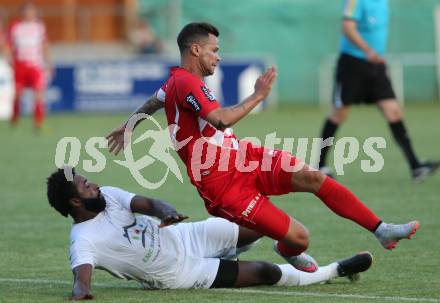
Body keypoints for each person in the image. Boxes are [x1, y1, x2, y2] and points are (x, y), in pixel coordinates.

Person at [106, 22, 419, 274]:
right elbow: (219, 120)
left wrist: (129, 125)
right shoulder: (187, 82)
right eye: (214, 50)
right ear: (195, 49)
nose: (218, 56)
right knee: (300, 237)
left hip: (243, 157)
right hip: (222, 185)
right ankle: (285, 248)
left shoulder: (175, 81)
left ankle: (380, 229)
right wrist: (258, 95)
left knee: (312, 177)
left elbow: (154, 101)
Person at [46, 168, 373, 300]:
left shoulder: (111, 195)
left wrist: (167, 212)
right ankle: (335, 270)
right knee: (265, 273)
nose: (95, 184)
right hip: (181, 273)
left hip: (189, 236)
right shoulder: (83, 239)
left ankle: (287, 248)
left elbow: (149, 202)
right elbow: (81, 277)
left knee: (259, 218)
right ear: (76, 201)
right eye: (86, 185)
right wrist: (81, 292)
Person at [317, 0, 439, 182]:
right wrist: (368, 50)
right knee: (338, 114)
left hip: (375, 65)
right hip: (353, 64)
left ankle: (415, 166)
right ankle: (319, 166)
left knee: (394, 111)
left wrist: (378, 58)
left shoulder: (382, 2)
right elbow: (348, 28)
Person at [3, 1, 53, 129]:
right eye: (27, 11)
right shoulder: (15, 26)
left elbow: (45, 45)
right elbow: (7, 45)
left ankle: (38, 123)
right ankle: (15, 119)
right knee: (18, 94)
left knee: (39, 92)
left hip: (36, 64)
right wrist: (9, 59)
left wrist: (49, 62)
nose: (29, 13)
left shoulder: (39, 27)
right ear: (22, 13)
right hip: (20, 64)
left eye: (32, 11)